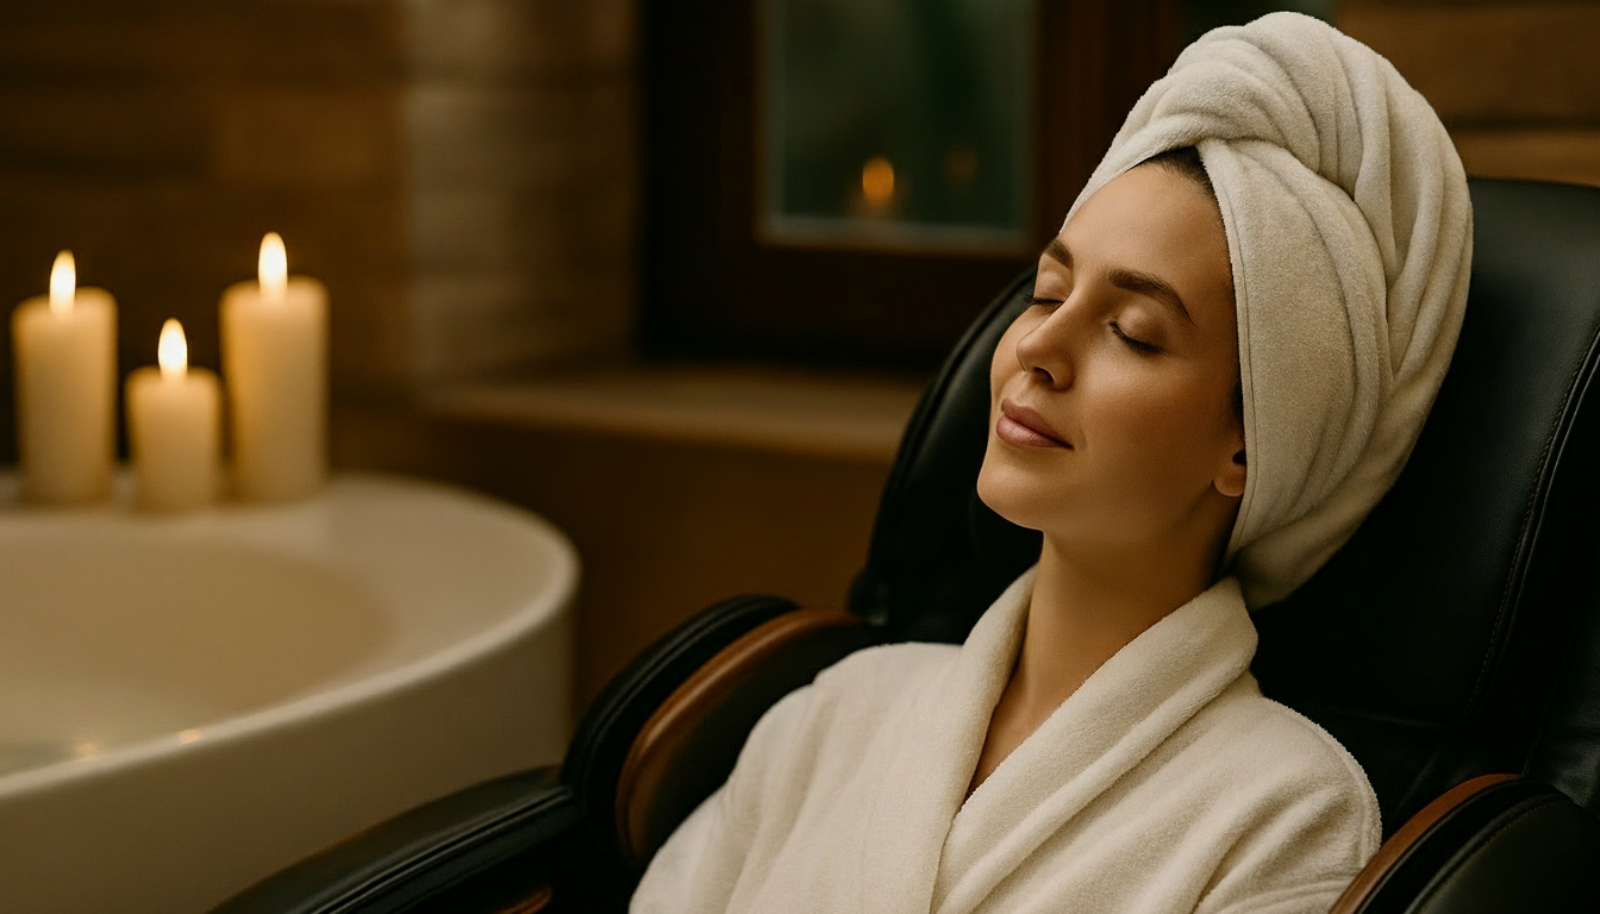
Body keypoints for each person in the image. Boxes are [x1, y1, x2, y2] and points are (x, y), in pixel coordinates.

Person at [632, 12, 1472, 914]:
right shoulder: (835, 711)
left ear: (1250, 442)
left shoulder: (1284, 818)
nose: (1040, 345)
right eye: (1048, 291)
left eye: (1133, 333)